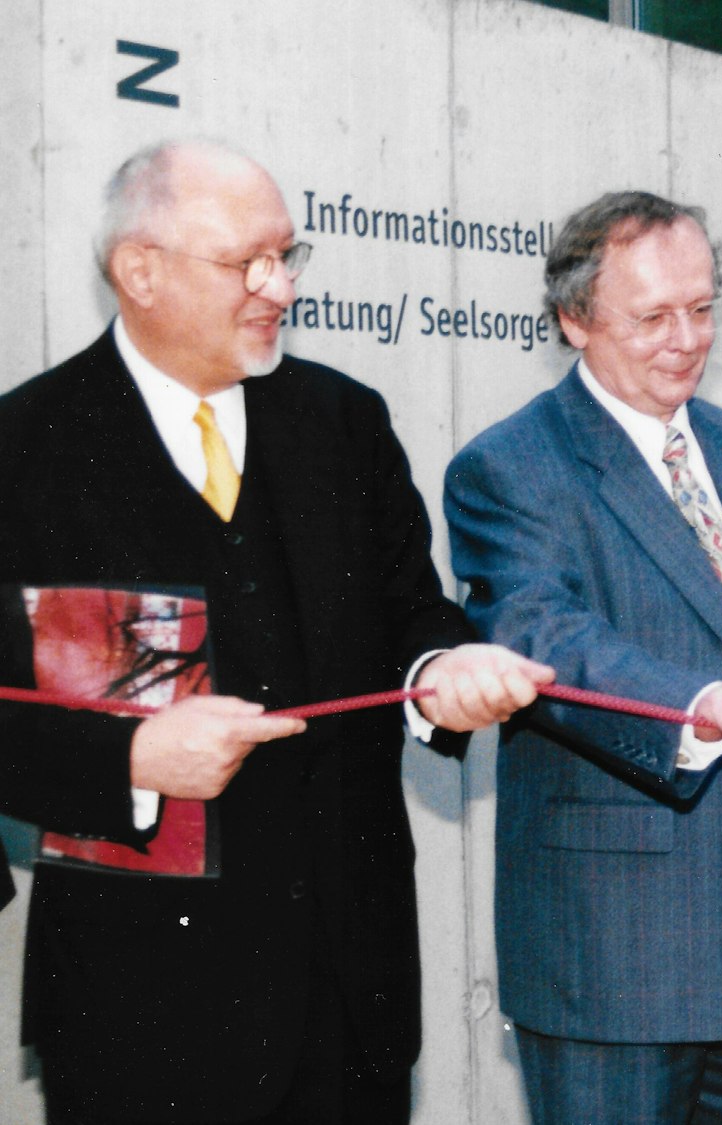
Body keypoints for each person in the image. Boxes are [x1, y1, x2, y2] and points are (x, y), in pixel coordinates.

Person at [0, 139, 549, 1124]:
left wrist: (445, 663)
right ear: (139, 269)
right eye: (245, 261)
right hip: (138, 1009)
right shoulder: (23, 449)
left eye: (288, 256)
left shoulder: (343, 421)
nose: (278, 286)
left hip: (348, 989)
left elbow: (409, 611)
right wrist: (127, 755)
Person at [445, 191, 722, 1125]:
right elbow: (546, 644)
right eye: (651, 317)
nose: (687, 338)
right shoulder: (510, 466)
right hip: (619, 964)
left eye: (703, 306)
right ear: (572, 320)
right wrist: (711, 698)